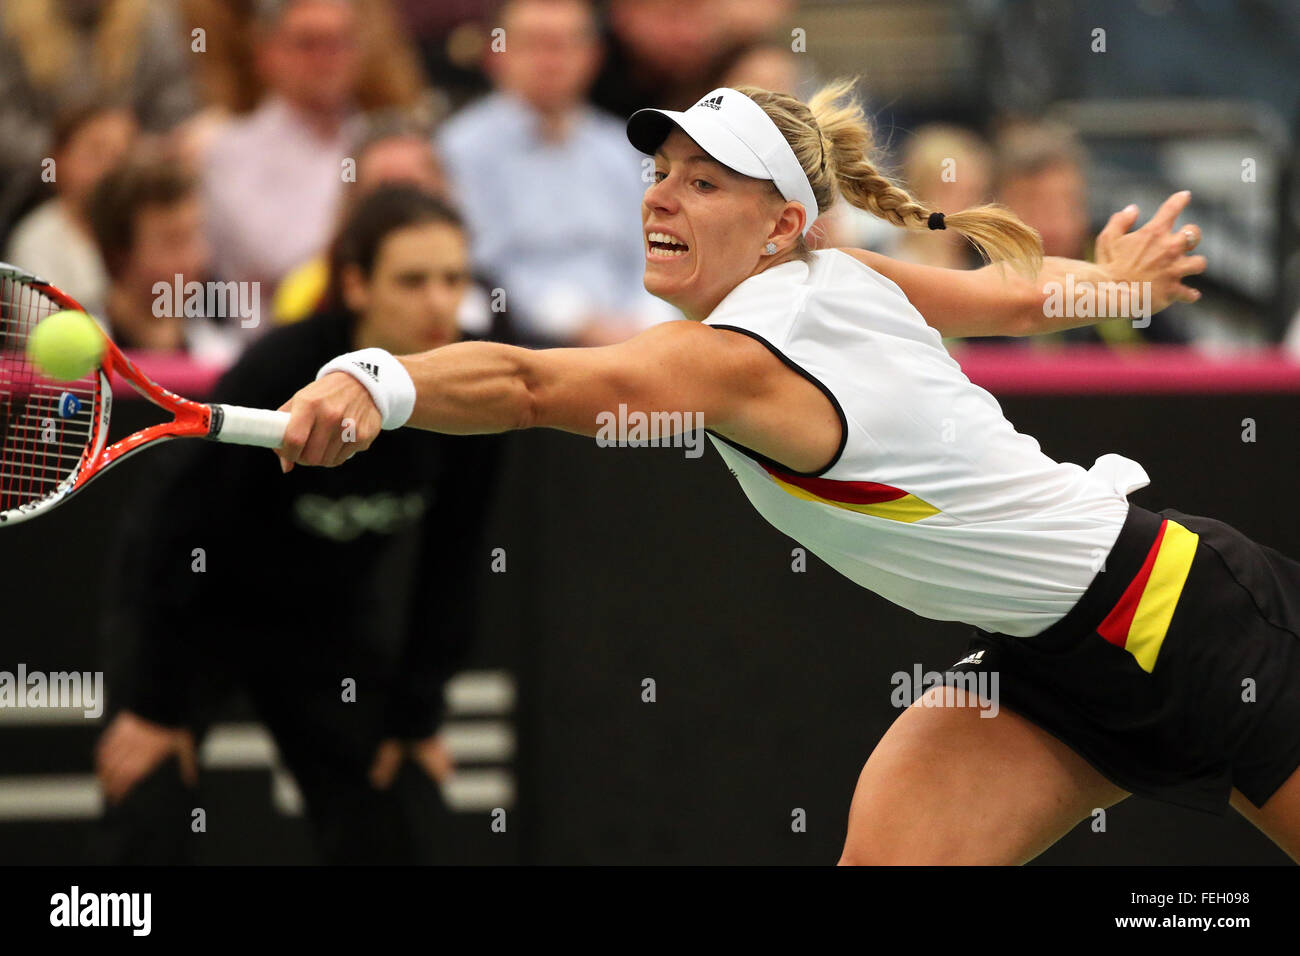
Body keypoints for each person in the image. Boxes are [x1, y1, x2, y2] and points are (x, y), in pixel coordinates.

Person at [272, 82, 1300, 866]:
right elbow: (1017, 299)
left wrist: (376, 377)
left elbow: (533, 385)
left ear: (779, 226)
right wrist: (1111, 287)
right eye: (660, 172)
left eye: (703, 182)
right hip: (1048, 670)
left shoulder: (737, 355)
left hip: (1184, 617)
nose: (661, 198)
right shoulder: (828, 272)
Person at [93, 185, 504, 864]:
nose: (439, 302)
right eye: (412, 280)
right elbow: (172, 533)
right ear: (354, 283)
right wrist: (155, 701)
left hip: (327, 626)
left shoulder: (474, 392)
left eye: (453, 279)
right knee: (146, 811)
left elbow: (454, 562)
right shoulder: (279, 369)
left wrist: (417, 717)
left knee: (399, 812)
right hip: (199, 616)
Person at [437, 0, 674, 346]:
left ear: (593, 56)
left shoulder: (620, 146)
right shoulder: (461, 149)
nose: (549, 61)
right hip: (520, 344)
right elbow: (478, 266)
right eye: (533, 44)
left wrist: (647, 316)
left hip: (631, 338)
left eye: (565, 45)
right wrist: (573, 319)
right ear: (496, 53)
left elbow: (650, 252)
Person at [86, 151, 239, 362]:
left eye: (195, 235)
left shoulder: (222, 344)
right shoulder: (83, 355)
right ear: (118, 254)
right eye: (172, 241)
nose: (194, 258)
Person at [4, 100, 138, 319]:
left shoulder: (144, 234)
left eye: (121, 156)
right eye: (96, 152)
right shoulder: (35, 241)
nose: (110, 167)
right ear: (58, 160)